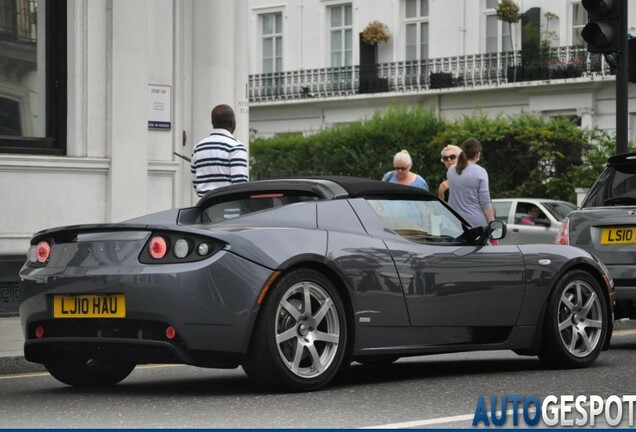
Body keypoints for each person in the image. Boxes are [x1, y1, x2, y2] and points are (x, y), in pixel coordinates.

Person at [191, 104, 249, 197]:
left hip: (204, 207)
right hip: (229, 207)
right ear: (232, 122)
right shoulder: (236, 147)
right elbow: (240, 184)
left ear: (212, 122)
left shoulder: (198, 148)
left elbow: (195, 183)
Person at [446, 138, 494, 228]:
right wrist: (492, 223)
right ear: (478, 153)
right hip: (475, 223)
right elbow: (485, 201)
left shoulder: (451, 170)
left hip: (454, 223)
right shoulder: (480, 172)